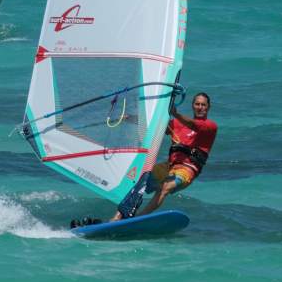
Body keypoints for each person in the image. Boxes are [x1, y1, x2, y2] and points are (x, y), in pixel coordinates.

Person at [81, 92, 218, 226]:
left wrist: (175, 113)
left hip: (187, 169)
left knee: (165, 187)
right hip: (169, 166)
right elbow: (152, 125)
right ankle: (117, 218)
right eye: (197, 104)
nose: (200, 107)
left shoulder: (210, 126)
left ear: (208, 107)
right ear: (193, 106)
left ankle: (139, 218)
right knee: (140, 179)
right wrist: (129, 118)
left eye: (203, 105)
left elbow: (193, 125)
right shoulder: (177, 124)